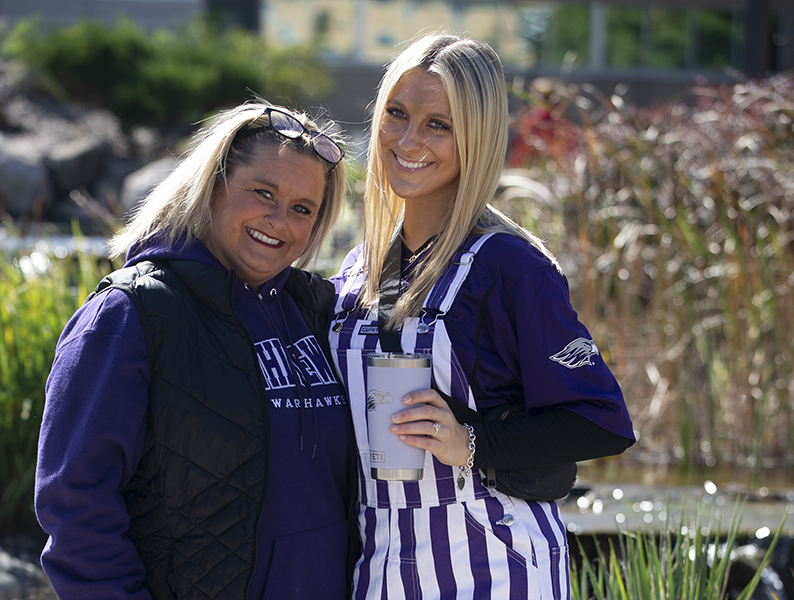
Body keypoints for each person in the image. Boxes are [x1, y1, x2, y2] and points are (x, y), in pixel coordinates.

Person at [328, 33, 635, 599]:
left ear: (477, 137)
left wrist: (470, 441)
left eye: (437, 125)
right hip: (378, 567)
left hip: (491, 566)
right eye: (396, 114)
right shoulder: (358, 267)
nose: (408, 138)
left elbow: (602, 421)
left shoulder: (509, 266)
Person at [35, 102, 354, 600]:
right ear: (212, 186)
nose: (278, 221)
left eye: (302, 209)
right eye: (262, 193)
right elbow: (74, 505)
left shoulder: (316, 311)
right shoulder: (130, 313)